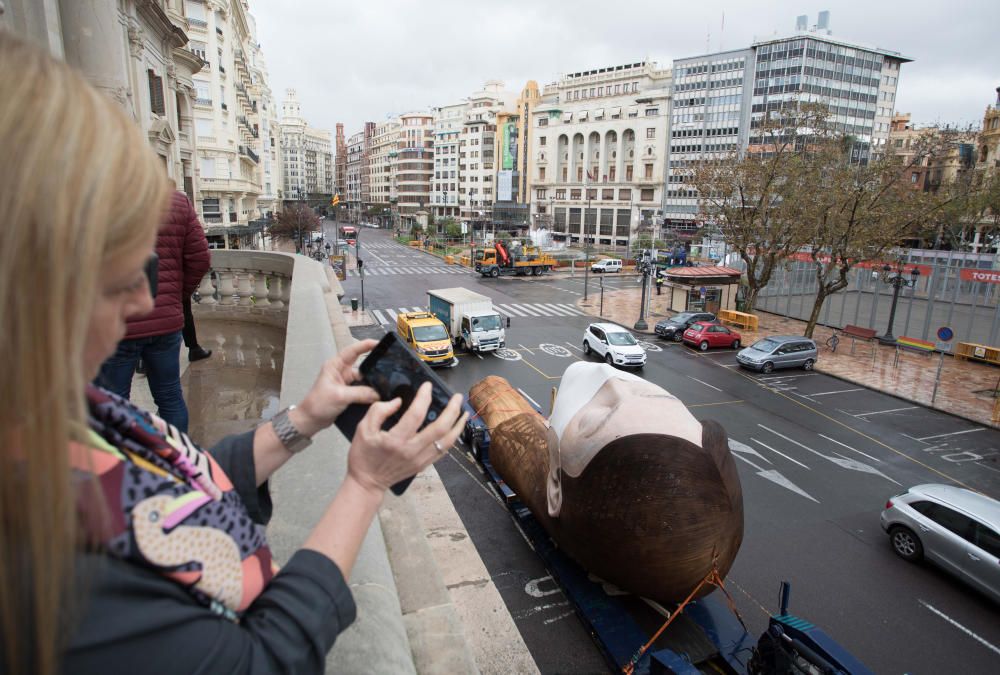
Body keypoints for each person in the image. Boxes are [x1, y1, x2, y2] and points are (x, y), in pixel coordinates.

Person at [0, 33, 467, 675]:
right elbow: (263, 659)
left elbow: (181, 484)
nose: (143, 300)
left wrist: (303, 418)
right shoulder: (38, 563)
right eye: (117, 278)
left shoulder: (54, 406)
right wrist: (364, 484)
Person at [97, 190, 211, 432]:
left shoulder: (95, 199)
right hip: (166, 323)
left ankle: (125, 467)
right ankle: (178, 461)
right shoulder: (178, 201)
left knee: (113, 403)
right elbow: (200, 258)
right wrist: (176, 297)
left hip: (116, 324)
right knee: (170, 396)